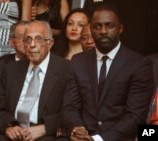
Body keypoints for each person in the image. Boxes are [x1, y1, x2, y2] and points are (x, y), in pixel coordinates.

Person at [61, 5, 154, 141]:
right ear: (91, 29)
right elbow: (70, 107)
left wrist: (98, 139)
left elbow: (135, 116)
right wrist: (77, 129)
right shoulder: (78, 62)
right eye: (97, 26)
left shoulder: (139, 64)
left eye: (109, 26)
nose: (103, 31)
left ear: (120, 28)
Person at [0, 20, 70, 141]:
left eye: (38, 39)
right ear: (23, 44)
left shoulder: (66, 69)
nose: (32, 45)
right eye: (28, 40)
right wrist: (8, 127)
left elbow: (72, 110)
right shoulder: (11, 69)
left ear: (50, 43)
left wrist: (45, 128)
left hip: (46, 134)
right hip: (15, 133)